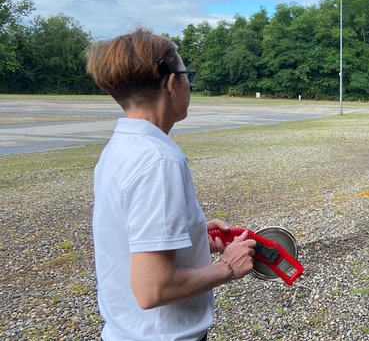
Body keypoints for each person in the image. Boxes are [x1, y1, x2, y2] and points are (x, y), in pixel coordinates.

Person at [87, 27, 257, 341]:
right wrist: (228, 267)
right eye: (185, 75)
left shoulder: (120, 147)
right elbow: (153, 289)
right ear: (171, 84)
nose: (187, 84)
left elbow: (133, 236)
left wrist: (192, 236)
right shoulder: (158, 161)